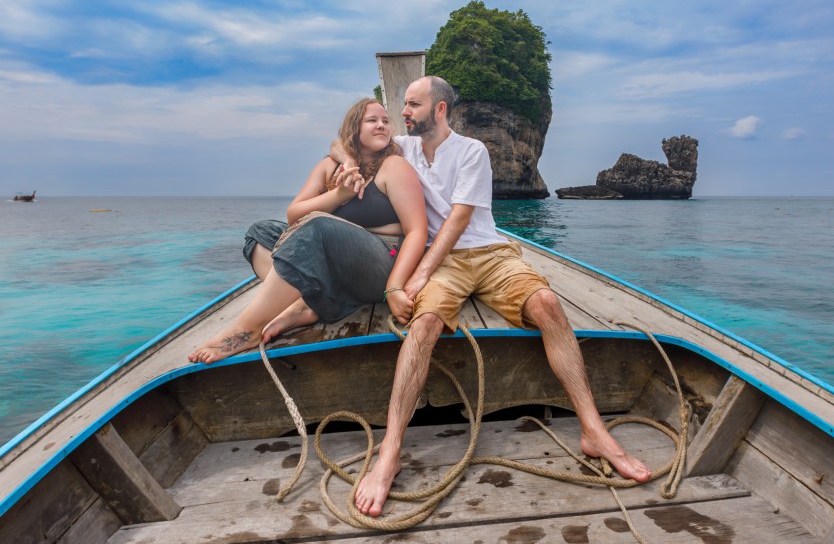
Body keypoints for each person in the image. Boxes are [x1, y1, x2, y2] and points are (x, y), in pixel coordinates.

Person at [339, 76, 653, 517]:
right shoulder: (402, 149)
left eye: (412, 104)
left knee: (547, 303)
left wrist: (417, 274)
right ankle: (389, 453)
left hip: (487, 253)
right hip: (443, 262)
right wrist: (346, 166)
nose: (403, 112)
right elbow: (343, 143)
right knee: (424, 325)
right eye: (403, 105)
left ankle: (593, 430)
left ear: (440, 109)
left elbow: (459, 220)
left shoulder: (472, 151)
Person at [188, 98, 428, 363]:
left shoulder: (394, 166)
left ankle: (247, 330)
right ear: (354, 129)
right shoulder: (331, 166)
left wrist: (395, 286)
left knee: (317, 225)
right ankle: (304, 303)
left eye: (385, 121)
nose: (382, 125)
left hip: (381, 262)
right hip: (336, 263)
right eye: (372, 121)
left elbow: (417, 230)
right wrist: (339, 195)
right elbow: (293, 215)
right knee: (260, 233)